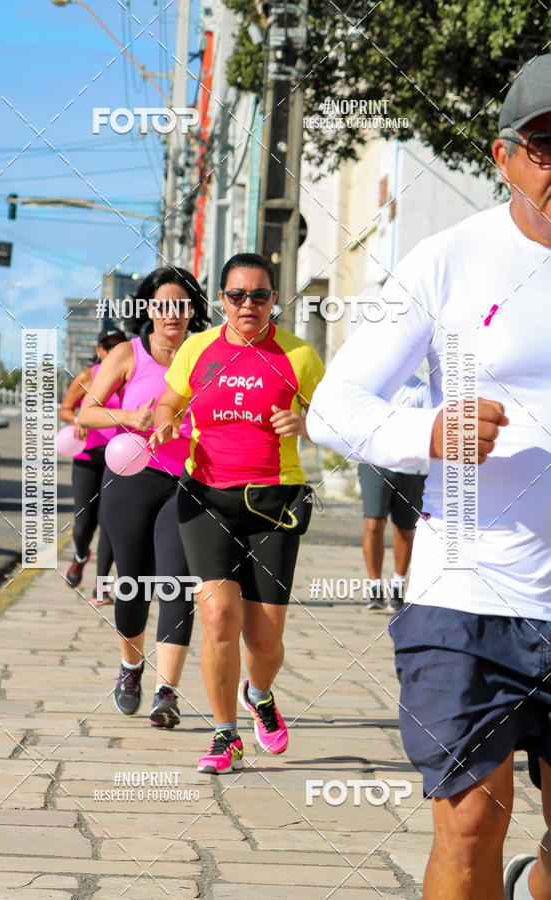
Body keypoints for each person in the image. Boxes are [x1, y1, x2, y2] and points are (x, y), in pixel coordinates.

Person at [307, 54, 551, 900]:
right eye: (549, 145)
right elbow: (332, 408)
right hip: (465, 597)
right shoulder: (443, 262)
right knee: (472, 821)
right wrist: (431, 430)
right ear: (504, 156)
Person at [152, 252, 325, 774]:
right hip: (206, 497)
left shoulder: (299, 356)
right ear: (221, 298)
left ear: (275, 298)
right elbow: (169, 402)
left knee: (265, 639)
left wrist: (307, 426)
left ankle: (261, 693)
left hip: (275, 503)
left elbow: (342, 422)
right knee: (218, 616)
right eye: (236, 295)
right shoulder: (198, 349)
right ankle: (224, 734)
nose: (247, 305)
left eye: (260, 295)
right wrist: (163, 423)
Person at [78, 268, 209, 728]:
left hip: (189, 483)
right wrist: (127, 414)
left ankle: (166, 691)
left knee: (177, 583)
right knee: (132, 582)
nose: (171, 314)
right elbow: (87, 411)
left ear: (192, 309)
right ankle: (131, 668)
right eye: (162, 305)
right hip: (132, 480)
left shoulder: (210, 354)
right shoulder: (127, 354)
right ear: (147, 309)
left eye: (180, 304)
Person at [59, 326, 127, 605]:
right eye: (107, 346)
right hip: (87, 458)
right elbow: (65, 408)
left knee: (109, 523)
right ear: (99, 350)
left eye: (117, 346)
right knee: (84, 524)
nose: (112, 351)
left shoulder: (129, 376)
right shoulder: (87, 377)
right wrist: (77, 422)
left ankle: (102, 587)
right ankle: (79, 557)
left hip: (119, 458)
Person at [357, 375, 430, 612]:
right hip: (374, 464)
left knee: (404, 530)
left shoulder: (421, 390)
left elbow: (429, 429)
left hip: (410, 470)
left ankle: (398, 587)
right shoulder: (372, 384)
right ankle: (375, 588)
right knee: (373, 525)